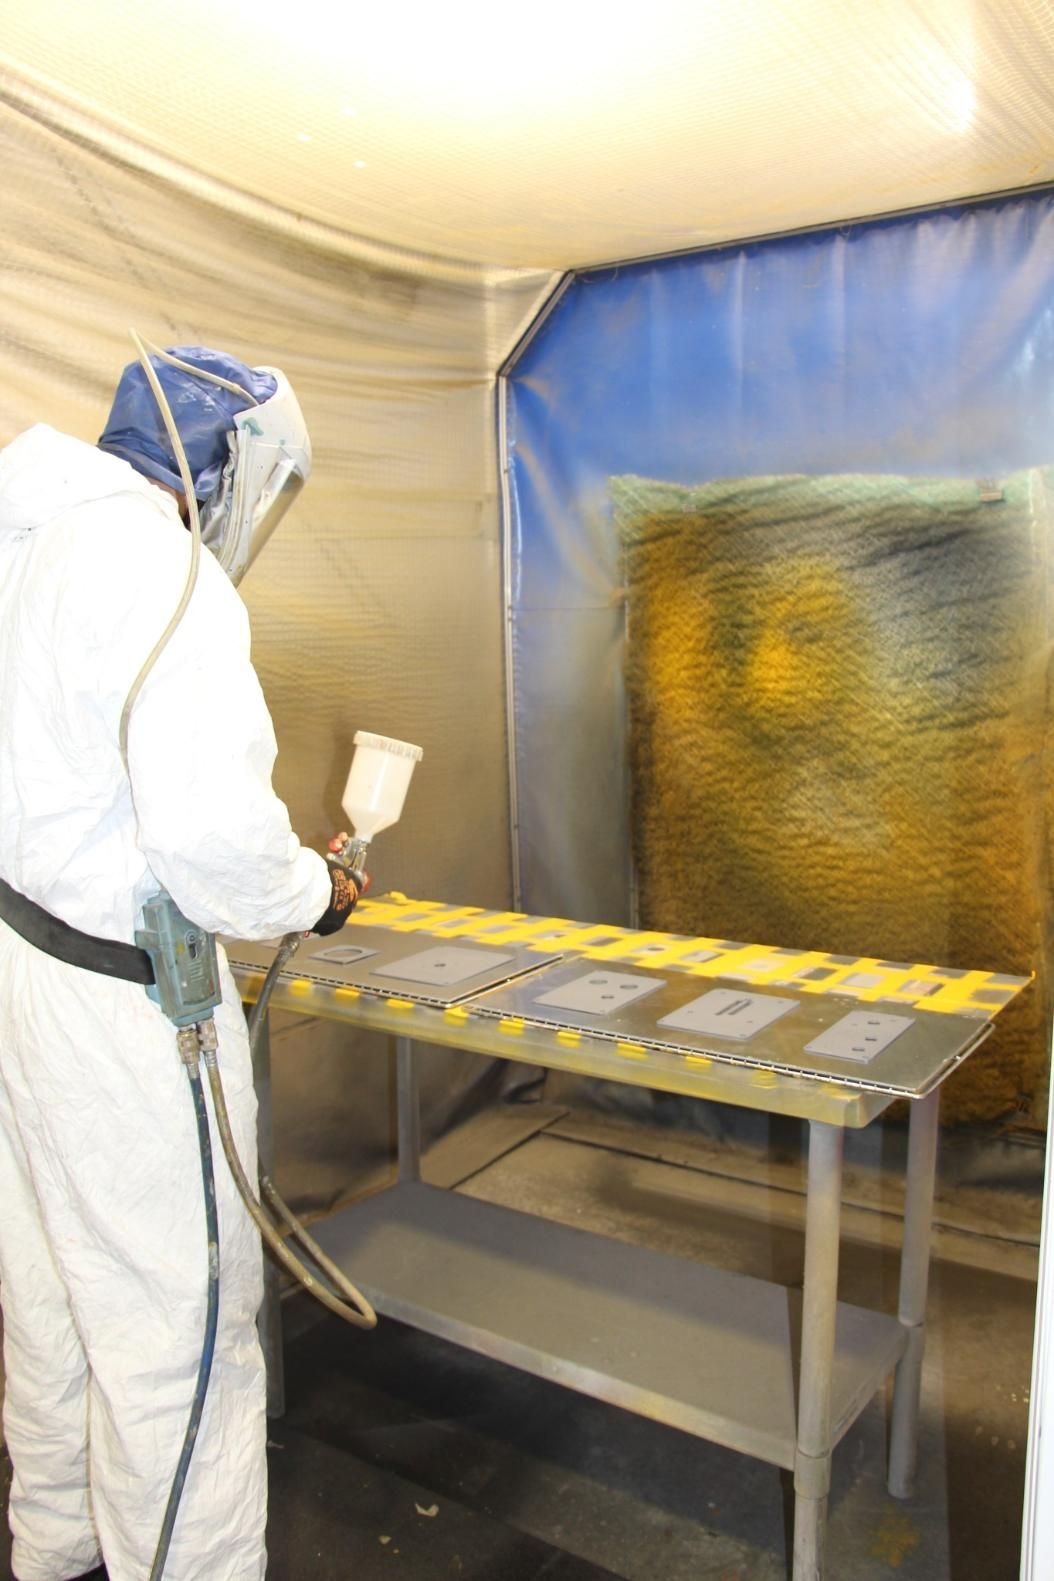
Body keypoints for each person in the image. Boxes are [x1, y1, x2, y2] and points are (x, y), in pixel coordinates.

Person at [0, 346, 359, 1581]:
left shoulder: (27, 537)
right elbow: (213, 848)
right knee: (180, 1337)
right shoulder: (163, 571)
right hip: (120, 1015)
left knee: (53, 1306)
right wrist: (317, 892)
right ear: (222, 465)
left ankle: (50, 1549)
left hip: (22, 972)